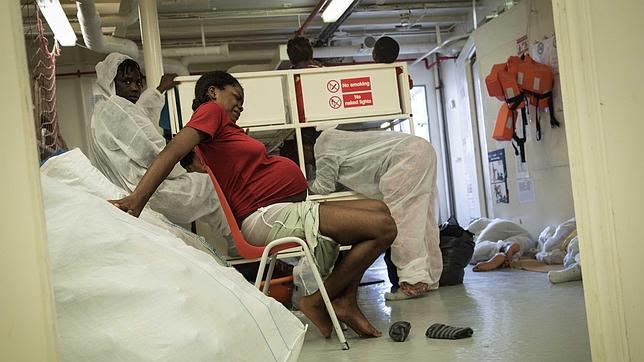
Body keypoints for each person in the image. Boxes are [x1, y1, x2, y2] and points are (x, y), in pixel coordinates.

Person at [109, 70, 397, 339]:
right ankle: (321, 301)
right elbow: (172, 151)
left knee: (380, 211)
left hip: (277, 212)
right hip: (265, 217)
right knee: (383, 226)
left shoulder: (225, 129)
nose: (241, 106)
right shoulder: (210, 112)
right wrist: (136, 200)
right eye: (237, 97)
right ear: (213, 92)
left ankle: (343, 299)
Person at [89, 53, 230, 243]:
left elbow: (141, 114)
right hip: (150, 190)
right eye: (126, 81)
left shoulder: (103, 111)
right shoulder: (116, 107)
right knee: (212, 187)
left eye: (138, 82)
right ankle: (238, 243)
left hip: (132, 190)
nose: (134, 88)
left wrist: (159, 90)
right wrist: (184, 168)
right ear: (110, 83)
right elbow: (152, 154)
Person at [302, 127, 442, 300]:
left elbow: (324, 187)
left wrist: (302, 185)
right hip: (420, 149)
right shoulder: (337, 138)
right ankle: (431, 278)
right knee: (423, 219)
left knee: (402, 222)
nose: (309, 163)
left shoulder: (322, 144)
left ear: (305, 147)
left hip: (406, 158)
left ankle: (413, 284)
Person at [467, 218, 536, 271]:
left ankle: (501, 249)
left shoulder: (479, 221)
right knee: (524, 242)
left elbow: (461, 237)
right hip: (527, 236)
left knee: (469, 252)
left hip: (497, 226)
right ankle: (507, 248)